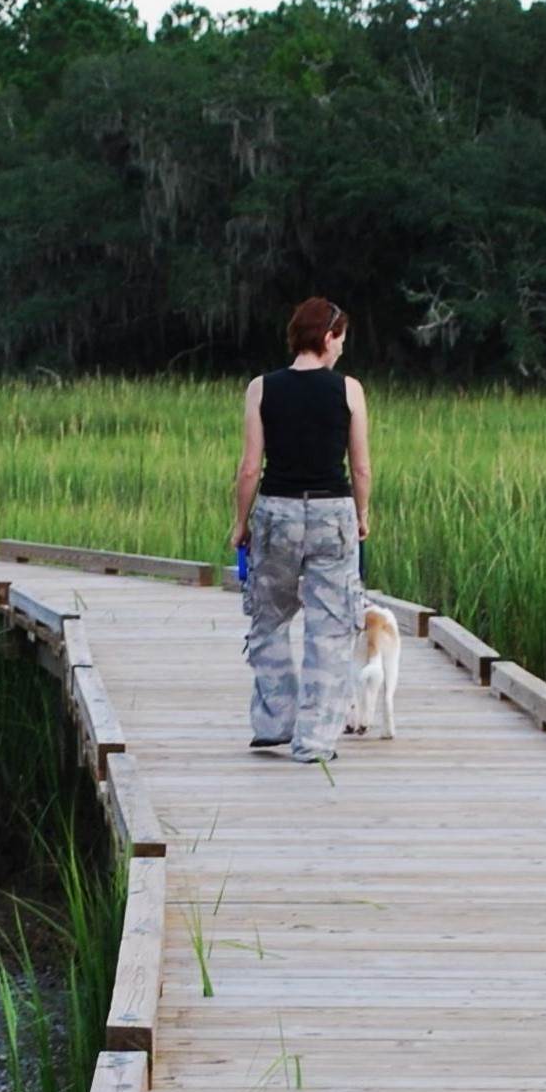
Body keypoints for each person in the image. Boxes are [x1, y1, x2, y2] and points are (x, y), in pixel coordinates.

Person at [228, 297, 373, 762]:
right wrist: (363, 515)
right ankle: (313, 742)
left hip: (277, 514)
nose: (342, 351)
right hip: (334, 512)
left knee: (268, 618)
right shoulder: (349, 390)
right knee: (329, 629)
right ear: (327, 337)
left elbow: (250, 468)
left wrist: (241, 522)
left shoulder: (261, 388)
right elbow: (362, 467)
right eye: (341, 341)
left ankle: (275, 722)